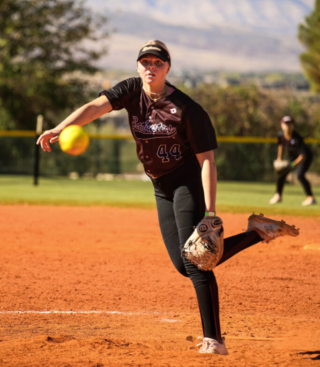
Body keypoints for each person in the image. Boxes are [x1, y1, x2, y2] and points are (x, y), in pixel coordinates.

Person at [37, 40, 299, 355]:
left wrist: (210, 212)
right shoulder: (131, 90)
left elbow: (207, 163)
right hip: (160, 186)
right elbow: (96, 107)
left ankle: (213, 339)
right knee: (183, 261)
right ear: (137, 67)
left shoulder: (188, 110)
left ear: (167, 68)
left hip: (187, 182)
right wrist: (60, 126)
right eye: (145, 62)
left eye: (157, 63)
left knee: (195, 262)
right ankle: (257, 231)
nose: (151, 68)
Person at [270, 115, 316, 206]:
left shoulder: (297, 138)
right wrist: (279, 159)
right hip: (292, 156)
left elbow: (302, 156)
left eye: (290, 124)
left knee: (300, 175)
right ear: (282, 125)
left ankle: (310, 198)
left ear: (293, 125)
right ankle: (278, 195)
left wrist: (292, 165)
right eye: (286, 124)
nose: (288, 126)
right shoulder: (280, 135)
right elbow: (281, 146)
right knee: (281, 173)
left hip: (305, 157)